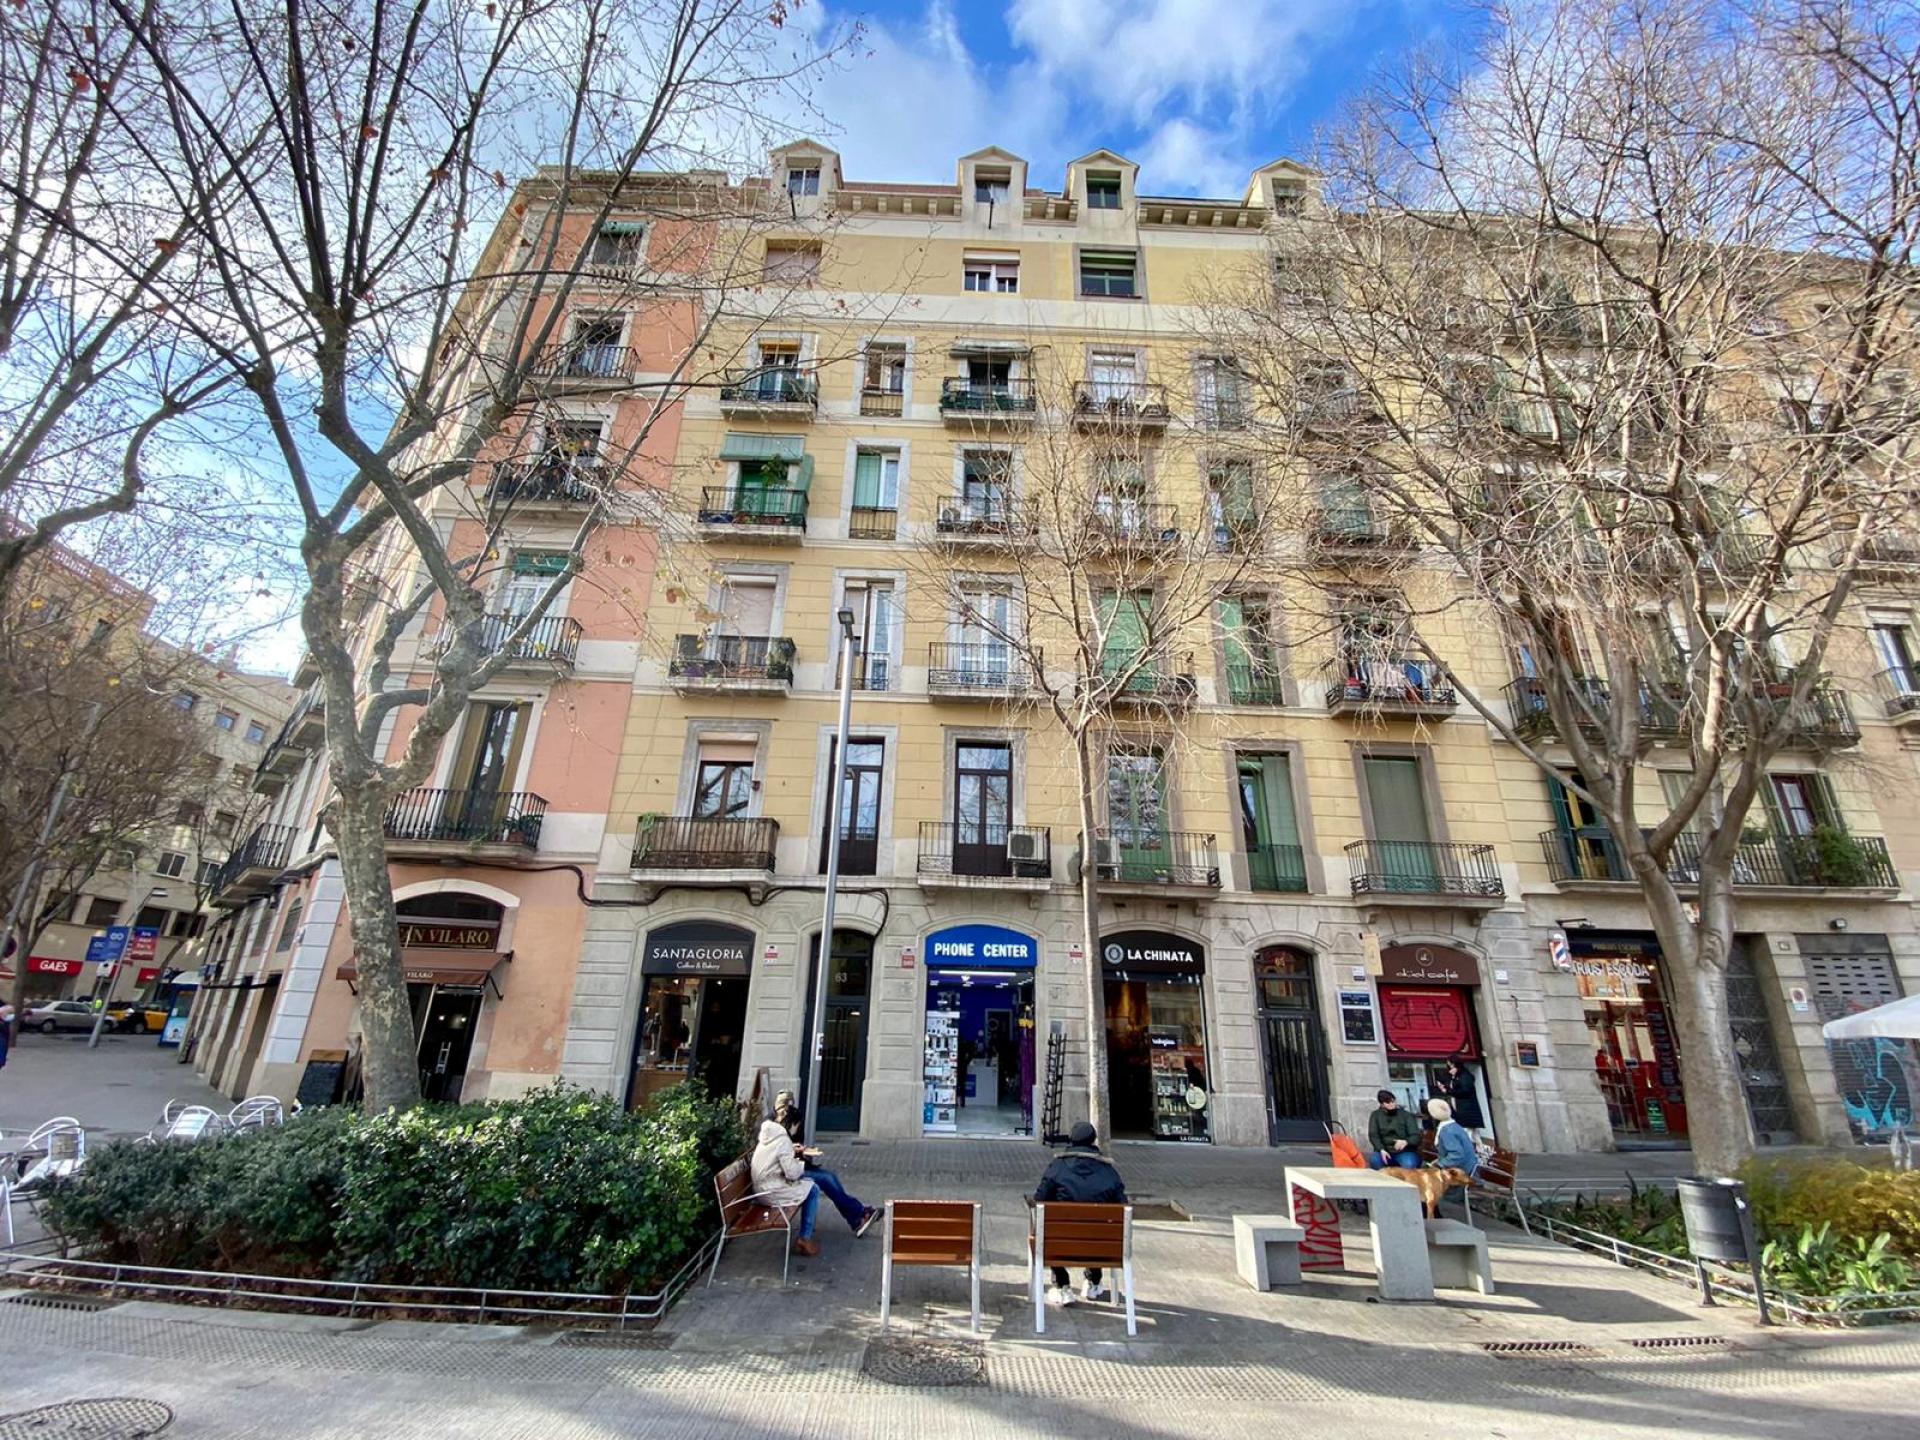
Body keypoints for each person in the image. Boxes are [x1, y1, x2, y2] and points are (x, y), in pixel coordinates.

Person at [1033, 1121, 1127, 1305]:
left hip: (1060, 1244)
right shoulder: (1109, 1172)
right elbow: (1122, 1205)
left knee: (1050, 1230)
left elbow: (1039, 1198)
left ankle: (1062, 1285)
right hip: (1101, 1246)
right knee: (1096, 1230)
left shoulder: (1057, 1167)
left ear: (1071, 1140)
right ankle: (1093, 1282)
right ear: (1093, 1141)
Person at [772, 1090, 878, 1237]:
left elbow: (787, 1153)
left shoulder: (787, 1122)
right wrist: (796, 1153)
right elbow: (782, 1160)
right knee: (825, 1180)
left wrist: (800, 1152)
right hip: (783, 1175)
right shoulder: (775, 1128)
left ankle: (858, 1217)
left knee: (830, 1177)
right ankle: (858, 1216)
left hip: (790, 1169)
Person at [750, 1114, 822, 1257]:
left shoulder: (767, 1137)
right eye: (797, 1126)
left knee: (808, 1185)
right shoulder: (783, 1140)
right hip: (770, 1192)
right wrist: (801, 1163)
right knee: (813, 1189)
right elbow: (792, 1173)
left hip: (761, 1189)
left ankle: (805, 1236)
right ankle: (804, 1238)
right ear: (792, 1125)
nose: (797, 1130)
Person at [1366, 1089, 1422, 1169]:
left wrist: (1406, 1142)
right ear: (1382, 1104)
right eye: (1388, 1102)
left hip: (1405, 1151)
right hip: (1385, 1150)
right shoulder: (1375, 1115)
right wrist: (1381, 1149)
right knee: (1375, 1161)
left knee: (1409, 1164)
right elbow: (1373, 1135)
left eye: (1393, 1101)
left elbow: (1416, 1135)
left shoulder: (1406, 1115)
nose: (1392, 1104)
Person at [1428, 1097, 1481, 1177]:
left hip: (1462, 1173)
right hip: (1469, 1168)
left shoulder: (1447, 1131)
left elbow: (1457, 1155)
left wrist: (1439, 1164)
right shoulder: (1454, 1126)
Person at [1439, 1058, 1485, 1138]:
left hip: (1467, 1111)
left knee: (1468, 1133)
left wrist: (1449, 1091)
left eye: (1452, 1066)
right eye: (1449, 1067)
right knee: (1473, 1135)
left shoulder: (1464, 1076)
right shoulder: (1456, 1077)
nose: (1450, 1069)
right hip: (1461, 1110)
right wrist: (1446, 1088)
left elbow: (1464, 1091)